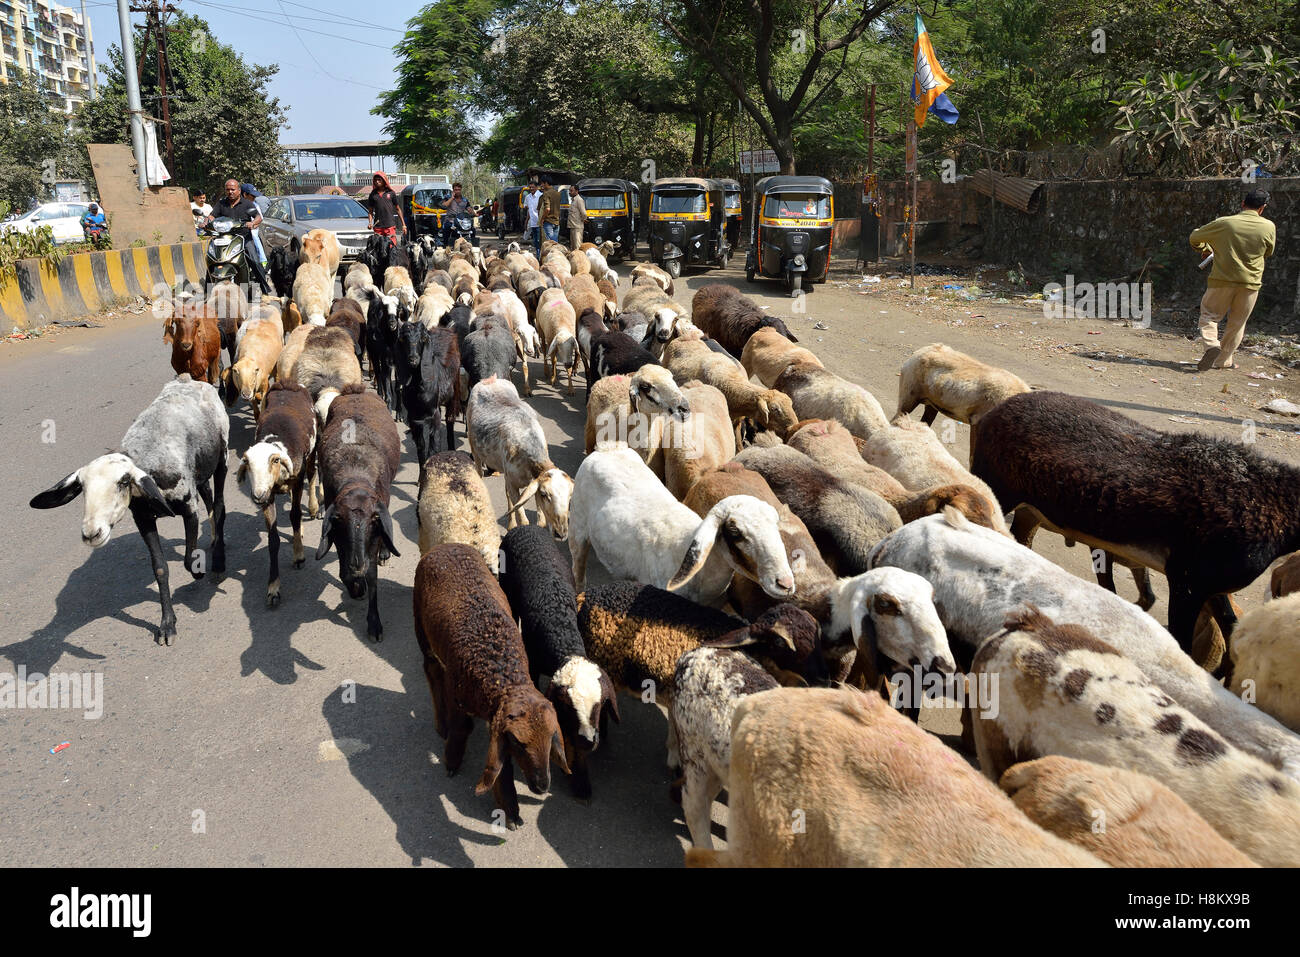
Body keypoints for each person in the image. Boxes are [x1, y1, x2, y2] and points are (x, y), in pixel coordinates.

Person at [1191, 189, 1276, 371]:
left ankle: (1212, 344)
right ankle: (1222, 361)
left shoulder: (1225, 223)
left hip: (1222, 280)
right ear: (1262, 208)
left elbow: (1195, 237)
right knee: (1237, 323)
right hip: (1251, 283)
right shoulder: (1269, 226)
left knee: (1209, 316)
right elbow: (1268, 252)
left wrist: (1205, 247)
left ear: (1243, 204)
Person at [203, 178, 270, 294]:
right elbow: (212, 216)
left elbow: (258, 217)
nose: (230, 192)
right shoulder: (221, 203)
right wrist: (206, 222)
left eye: (233, 189)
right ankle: (207, 292)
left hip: (243, 238)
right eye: (228, 190)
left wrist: (253, 223)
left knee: (254, 260)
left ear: (239, 190)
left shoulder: (246, 203)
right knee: (212, 259)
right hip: (224, 237)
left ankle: (264, 289)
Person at [365, 171, 405, 248]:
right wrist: (370, 223)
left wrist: (404, 225)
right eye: (375, 180)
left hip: (390, 226)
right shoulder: (372, 195)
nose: (377, 181)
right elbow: (370, 211)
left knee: (391, 248)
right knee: (378, 249)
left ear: (384, 180)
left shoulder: (391, 193)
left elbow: (398, 209)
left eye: (379, 179)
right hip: (378, 228)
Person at [241, 183, 268, 269]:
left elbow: (259, 219)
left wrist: (253, 225)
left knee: (255, 239)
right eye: (252, 196)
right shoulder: (236, 205)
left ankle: (262, 263)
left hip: (251, 233)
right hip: (239, 234)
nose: (254, 198)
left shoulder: (255, 205)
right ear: (245, 195)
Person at [538, 176, 562, 246]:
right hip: (556, 221)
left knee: (550, 244)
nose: (541, 185)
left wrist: (542, 219)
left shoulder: (546, 193)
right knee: (555, 243)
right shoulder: (558, 194)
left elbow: (547, 209)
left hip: (548, 221)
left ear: (546, 183)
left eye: (542, 183)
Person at [522, 179, 542, 256]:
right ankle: (538, 256)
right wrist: (526, 221)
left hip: (540, 223)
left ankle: (540, 256)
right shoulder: (528, 197)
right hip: (532, 223)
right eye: (530, 187)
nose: (531, 189)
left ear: (536, 187)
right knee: (535, 242)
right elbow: (529, 210)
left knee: (539, 241)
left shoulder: (540, 196)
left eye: (533, 187)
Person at [567, 182, 586, 250]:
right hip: (572, 226)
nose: (570, 192)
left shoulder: (579, 200)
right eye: (569, 190)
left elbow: (584, 213)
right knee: (573, 247)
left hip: (577, 227)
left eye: (571, 190)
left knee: (577, 247)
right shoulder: (573, 200)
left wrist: (583, 220)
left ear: (576, 191)